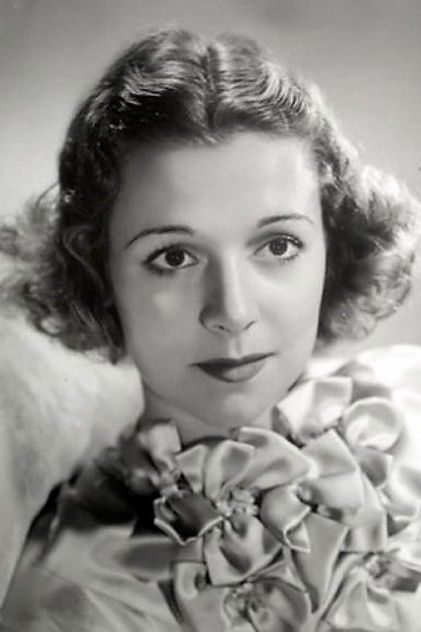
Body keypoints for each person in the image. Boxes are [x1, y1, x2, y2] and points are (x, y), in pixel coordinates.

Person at [1, 27, 421, 632]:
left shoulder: (404, 397)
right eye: (174, 257)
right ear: (97, 272)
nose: (232, 309)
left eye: (278, 245)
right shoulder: (73, 598)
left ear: (333, 246)